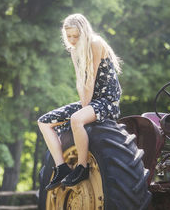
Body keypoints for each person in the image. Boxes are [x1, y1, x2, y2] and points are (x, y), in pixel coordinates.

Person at [37, 13, 122, 190]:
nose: (72, 40)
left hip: (107, 101)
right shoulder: (74, 50)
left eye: (76, 36)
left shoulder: (95, 43)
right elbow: (80, 81)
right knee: (44, 122)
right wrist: (85, 105)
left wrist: (84, 108)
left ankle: (82, 167)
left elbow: (90, 79)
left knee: (77, 119)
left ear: (84, 33)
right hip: (92, 101)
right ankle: (61, 167)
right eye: (69, 36)